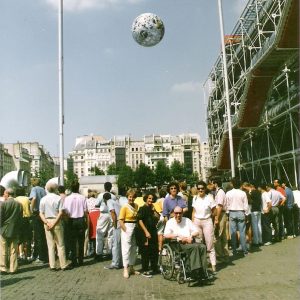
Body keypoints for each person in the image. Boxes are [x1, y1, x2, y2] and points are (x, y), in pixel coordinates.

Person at [164, 206, 210, 279]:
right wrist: (178, 236)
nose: (178, 215)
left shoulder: (187, 220)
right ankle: (194, 272)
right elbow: (166, 235)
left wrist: (190, 236)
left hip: (189, 241)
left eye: (180, 213)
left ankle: (203, 271)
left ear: (182, 213)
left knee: (202, 247)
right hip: (178, 244)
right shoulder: (170, 222)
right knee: (194, 247)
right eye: (176, 213)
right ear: (173, 213)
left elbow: (196, 231)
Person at [39, 183, 70, 271]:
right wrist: (54, 222)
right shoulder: (58, 198)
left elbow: (40, 213)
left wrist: (46, 222)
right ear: (56, 189)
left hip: (47, 221)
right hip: (57, 221)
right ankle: (63, 264)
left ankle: (52, 265)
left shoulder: (43, 199)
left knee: (50, 245)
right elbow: (61, 212)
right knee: (60, 244)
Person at [192, 181, 217, 273]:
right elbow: (193, 212)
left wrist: (212, 219)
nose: (200, 190)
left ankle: (213, 265)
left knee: (209, 244)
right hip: (197, 221)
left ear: (205, 189)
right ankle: (202, 265)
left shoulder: (209, 198)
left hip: (207, 221)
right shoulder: (195, 198)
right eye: (198, 188)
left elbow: (215, 211)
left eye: (202, 188)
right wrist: (192, 223)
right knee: (198, 243)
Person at [63, 180, 88, 267]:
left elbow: (65, 212)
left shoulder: (67, 198)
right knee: (81, 241)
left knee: (72, 241)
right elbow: (85, 211)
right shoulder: (83, 198)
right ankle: (80, 259)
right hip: (80, 220)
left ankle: (74, 260)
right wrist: (86, 221)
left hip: (71, 220)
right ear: (78, 187)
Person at [0, 188, 23, 274]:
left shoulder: (3, 204)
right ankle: (13, 268)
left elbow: (1, 217)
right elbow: (20, 218)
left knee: (3, 249)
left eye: (4, 194)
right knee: (14, 249)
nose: (4, 195)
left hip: (4, 229)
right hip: (15, 229)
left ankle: (3, 267)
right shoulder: (19, 204)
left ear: (7, 194)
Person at [137, 192, 159, 277]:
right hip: (145, 232)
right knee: (145, 251)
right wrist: (146, 232)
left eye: (152, 199)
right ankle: (145, 269)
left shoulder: (152, 208)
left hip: (153, 231)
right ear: (146, 198)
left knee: (154, 250)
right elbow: (140, 220)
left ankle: (154, 267)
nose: (151, 200)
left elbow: (158, 218)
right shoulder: (142, 208)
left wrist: (154, 210)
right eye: (149, 198)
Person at [119, 189, 140, 279]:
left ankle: (131, 267)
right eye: (130, 196)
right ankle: (125, 269)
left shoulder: (136, 206)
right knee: (126, 248)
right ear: (127, 197)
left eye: (133, 196)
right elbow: (120, 221)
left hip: (135, 227)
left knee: (134, 248)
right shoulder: (124, 207)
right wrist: (126, 230)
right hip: (127, 227)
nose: (131, 198)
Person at [226, 178, 249, 256]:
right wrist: (246, 214)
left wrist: (227, 213)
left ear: (232, 184)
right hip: (241, 212)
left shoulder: (228, 193)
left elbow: (227, 205)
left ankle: (234, 250)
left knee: (233, 232)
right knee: (242, 232)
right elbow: (246, 205)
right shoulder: (243, 193)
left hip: (232, 212)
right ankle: (244, 250)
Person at [210, 178, 229, 263]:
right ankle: (224, 254)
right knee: (223, 235)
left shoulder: (220, 193)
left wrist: (217, 218)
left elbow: (220, 206)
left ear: (215, 184)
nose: (210, 185)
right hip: (221, 214)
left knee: (218, 235)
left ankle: (221, 255)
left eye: (211, 183)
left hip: (220, 214)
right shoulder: (218, 192)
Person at [29, 178, 48, 263]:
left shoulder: (34, 189)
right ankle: (43, 254)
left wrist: (31, 209)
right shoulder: (43, 190)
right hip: (43, 214)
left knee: (37, 236)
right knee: (43, 235)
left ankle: (40, 257)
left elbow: (34, 198)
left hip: (36, 213)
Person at [15, 187, 32, 261]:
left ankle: (18, 254)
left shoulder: (15, 200)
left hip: (18, 220)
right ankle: (28, 255)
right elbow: (31, 207)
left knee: (18, 238)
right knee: (28, 238)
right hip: (26, 219)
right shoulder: (27, 199)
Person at [95, 192, 114, 261]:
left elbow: (96, 205)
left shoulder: (100, 195)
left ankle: (99, 253)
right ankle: (110, 252)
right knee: (110, 234)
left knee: (100, 234)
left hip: (103, 214)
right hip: (111, 214)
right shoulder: (114, 196)